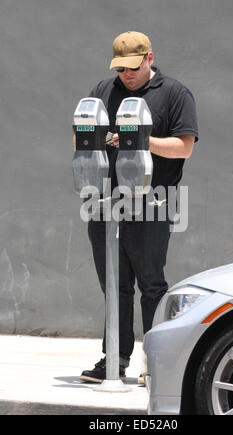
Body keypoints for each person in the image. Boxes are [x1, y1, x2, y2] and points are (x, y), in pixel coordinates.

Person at [78, 31, 199, 383]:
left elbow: (183, 147)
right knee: (114, 285)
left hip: (153, 202)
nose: (126, 75)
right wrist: (102, 137)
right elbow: (79, 136)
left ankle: (156, 365)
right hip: (105, 201)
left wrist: (139, 139)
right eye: (120, 69)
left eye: (132, 67)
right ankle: (113, 361)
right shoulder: (103, 91)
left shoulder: (174, 93)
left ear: (149, 58)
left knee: (151, 285)